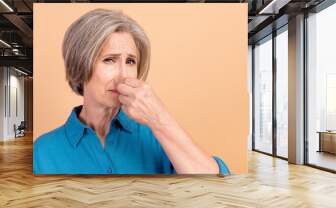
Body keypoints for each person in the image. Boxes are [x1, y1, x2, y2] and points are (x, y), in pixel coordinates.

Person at [33, 8, 230, 175]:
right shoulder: (43, 151)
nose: (123, 75)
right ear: (79, 65)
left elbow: (218, 192)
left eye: (130, 61)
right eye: (109, 59)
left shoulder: (159, 137)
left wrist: (160, 119)